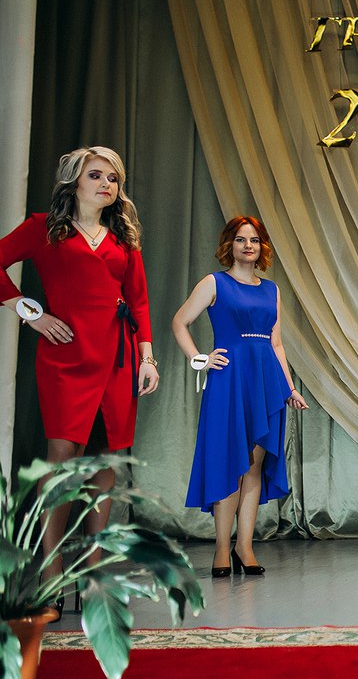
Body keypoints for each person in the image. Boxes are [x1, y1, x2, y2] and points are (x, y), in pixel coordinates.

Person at [0, 147, 159, 617]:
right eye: (96, 175)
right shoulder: (43, 227)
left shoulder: (123, 238)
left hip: (117, 358)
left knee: (106, 460)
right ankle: (50, 576)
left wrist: (147, 359)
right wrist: (31, 313)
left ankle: (92, 577)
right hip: (65, 357)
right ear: (73, 181)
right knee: (62, 459)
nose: (106, 184)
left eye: (113, 178)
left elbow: (140, 302)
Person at [172, 216, 307, 577]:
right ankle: (221, 548)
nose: (249, 246)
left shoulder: (272, 290)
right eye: (241, 240)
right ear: (229, 245)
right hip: (229, 381)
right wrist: (199, 359)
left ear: (262, 247)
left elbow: (276, 343)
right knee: (230, 463)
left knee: (254, 467)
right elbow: (179, 322)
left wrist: (290, 388)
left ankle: (244, 547)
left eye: (255, 240)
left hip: (266, 383)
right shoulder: (214, 283)